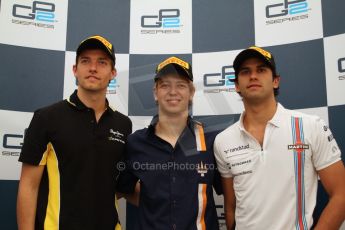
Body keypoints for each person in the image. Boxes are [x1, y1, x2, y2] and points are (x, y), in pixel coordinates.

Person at [214, 46, 345, 230]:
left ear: (276, 81)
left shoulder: (310, 126)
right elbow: (230, 207)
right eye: (245, 72)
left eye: (261, 70)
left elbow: (341, 194)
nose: (253, 76)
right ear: (236, 85)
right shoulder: (223, 140)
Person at [16, 35, 132, 230]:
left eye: (101, 62)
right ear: (75, 69)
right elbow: (29, 186)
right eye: (85, 61)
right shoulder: (46, 117)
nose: (93, 68)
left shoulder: (123, 124)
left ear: (113, 73)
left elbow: (118, 185)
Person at [117, 56, 222, 229]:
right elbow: (123, 188)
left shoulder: (212, 140)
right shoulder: (136, 142)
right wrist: (151, 201)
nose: (173, 92)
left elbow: (233, 193)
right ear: (155, 93)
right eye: (165, 85)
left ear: (191, 92)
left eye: (181, 85)